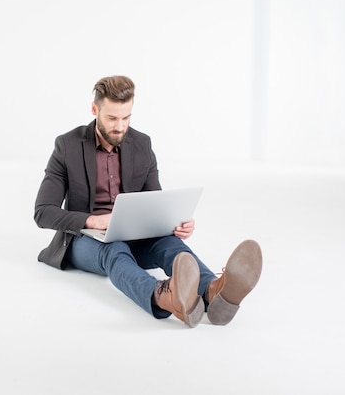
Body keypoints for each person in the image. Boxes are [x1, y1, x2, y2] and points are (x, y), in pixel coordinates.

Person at [34, 75, 262, 327]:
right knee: (114, 249)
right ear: (94, 110)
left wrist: (174, 223)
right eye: (111, 118)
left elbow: (156, 202)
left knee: (170, 245)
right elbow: (43, 212)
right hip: (83, 239)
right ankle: (165, 298)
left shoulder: (141, 144)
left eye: (126, 117)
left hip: (134, 233)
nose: (120, 126)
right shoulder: (67, 146)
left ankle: (214, 293)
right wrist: (93, 220)